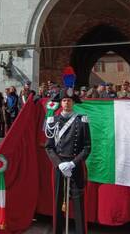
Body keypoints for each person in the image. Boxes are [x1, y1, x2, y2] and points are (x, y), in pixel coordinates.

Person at [44, 93, 91, 234]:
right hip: (59, 166)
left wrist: (73, 163)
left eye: (69, 100)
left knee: (78, 203)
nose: (66, 103)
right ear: (61, 102)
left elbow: (87, 147)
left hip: (75, 165)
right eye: (64, 100)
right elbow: (49, 147)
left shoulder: (82, 120)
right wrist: (59, 164)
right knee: (58, 201)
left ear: (73, 102)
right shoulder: (53, 120)